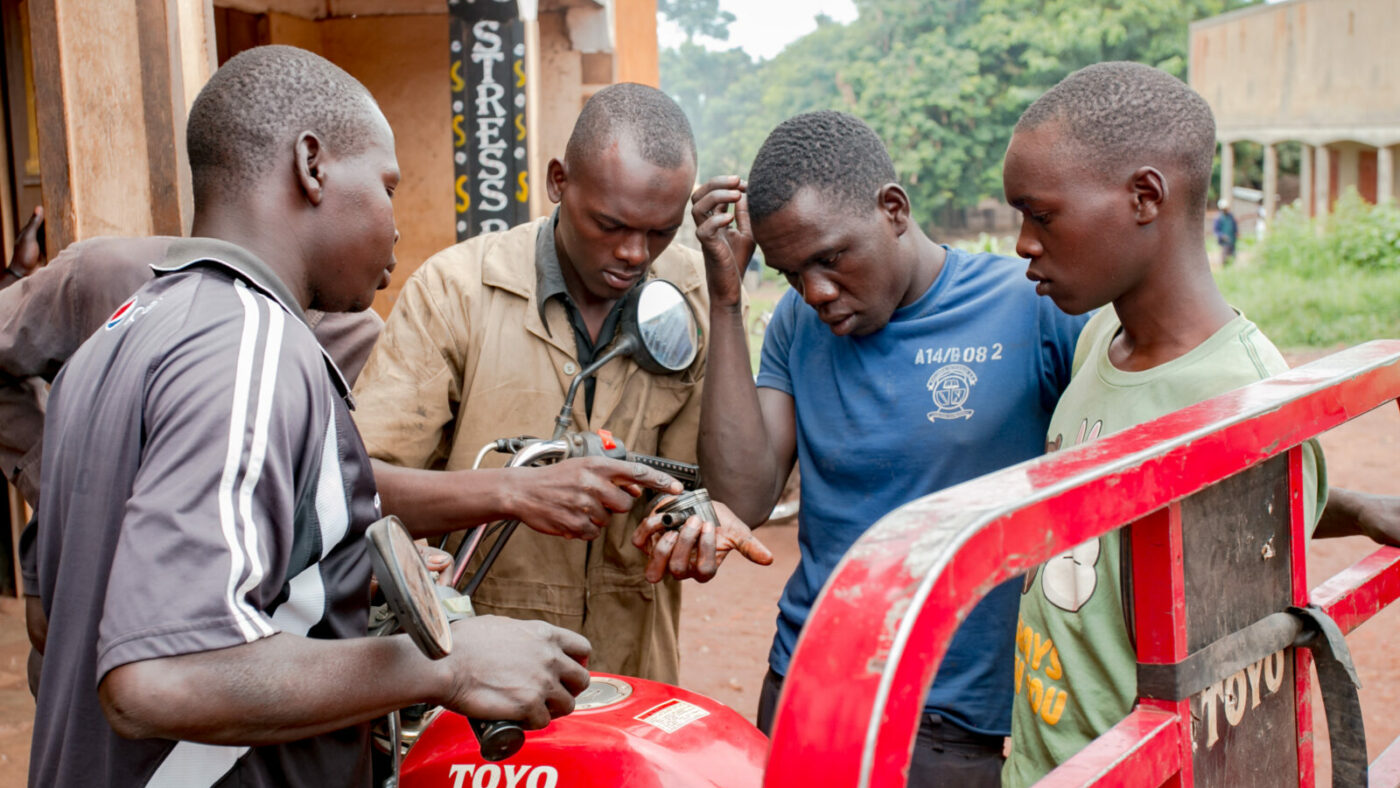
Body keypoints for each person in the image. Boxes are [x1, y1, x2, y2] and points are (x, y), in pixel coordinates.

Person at [30, 45, 589, 787]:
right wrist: (445, 662)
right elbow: (158, 677)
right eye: (387, 186)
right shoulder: (251, 343)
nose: (395, 226)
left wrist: (332, 584)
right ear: (312, 165)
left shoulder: (121, 332)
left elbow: (57, 618)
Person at [999, 61, 1400, 786]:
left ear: (1145, 197)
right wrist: (1364, 508)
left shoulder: (1237, 395)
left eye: (1042, 215)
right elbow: (1175, 512)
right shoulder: (1100, 342)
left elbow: (1236, 705)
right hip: (1049, 761)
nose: (1024, 242)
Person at [688, 110, 1089, 785]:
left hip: (962, 719)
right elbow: (742, 497)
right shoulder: (796, 324)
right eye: (790, 274)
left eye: (830, 259)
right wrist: (727, 302)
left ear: (893, 209)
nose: (815, 292)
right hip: (807, 689)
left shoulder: (1029, 307)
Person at [351, 82, 769, 686]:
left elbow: (732, 496)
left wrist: (693, 526)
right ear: (558, 181)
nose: (633, 254)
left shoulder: (697, 292)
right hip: (476, 682)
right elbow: (361, 491)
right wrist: (516, 493)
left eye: (659, 232)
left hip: (633, 679)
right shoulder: (455, 291)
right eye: (609, 224)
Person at [1213, 200, 1237, 265]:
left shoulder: (1231, 216)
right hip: (1224, 241)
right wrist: (1222, 235)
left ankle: (1232, 267)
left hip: (1232, 238)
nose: (1225, 210)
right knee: (1224, 256)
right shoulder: (1218, 218)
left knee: (1233, 255)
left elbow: (1234, 225)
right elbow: (1216, 231)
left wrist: (1236, 232)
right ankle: (1224, 266)